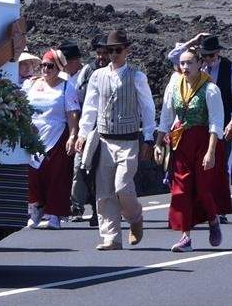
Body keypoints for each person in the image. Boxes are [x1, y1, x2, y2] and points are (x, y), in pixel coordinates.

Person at [77, 29, 155, 248]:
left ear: (126, 51)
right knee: (104, 192)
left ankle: (135, 218)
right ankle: (111, 237)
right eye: (109, 50)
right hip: (104, 140)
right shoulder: (97, 76)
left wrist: (149, 137)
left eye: (117, 50)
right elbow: (90, 107)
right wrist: (82, 134)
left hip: (128, 141)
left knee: (122, 186)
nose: (113, 55)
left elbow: (147, 108)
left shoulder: (137, 77)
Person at [167, 32, 232, 213]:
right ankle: (202, 207)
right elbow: (173, 57)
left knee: (222, 167)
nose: (208, 59)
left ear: (218, 53)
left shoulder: (230, 69)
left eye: (211, 55)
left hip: (223, 125)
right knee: (195, 170)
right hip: (197, 127)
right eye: (204, 55)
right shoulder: (195, 65)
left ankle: (219, 208)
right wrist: (192, 41)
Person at [156, 48, 226, 251]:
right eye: (182, 63)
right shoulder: (174, 86)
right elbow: (166, 116)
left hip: (203, 141)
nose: (185, 67)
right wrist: (158, 143)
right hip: (181, 142)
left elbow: (215, 122)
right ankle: (185, 236)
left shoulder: (210, 89)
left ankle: (213, 219)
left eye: (189, 63)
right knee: (181, 189)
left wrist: (211, 152)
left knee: (203, 189)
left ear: (199, 64)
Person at [21, 50, 80, 228]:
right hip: (33, 134)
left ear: (58, 68)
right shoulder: (31, 84)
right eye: (43, 65)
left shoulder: (66, 87)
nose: (45, 69)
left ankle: (54, 214)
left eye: (50, 66)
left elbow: (72, 113)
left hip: (57, 133)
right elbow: (21, 106)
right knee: (32, 174)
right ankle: (36, 208)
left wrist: (73, 136)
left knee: (56, 175)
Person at [66, 41, 102, 223]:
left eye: (105, 52)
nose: (102, 56)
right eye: (99, 52)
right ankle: (77, 207)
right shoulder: (89, 71)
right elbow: (81, 101)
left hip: (110, 129)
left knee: (103, 172)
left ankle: (101, 209)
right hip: (88, 127)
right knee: (80, 167)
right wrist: (80, 132)